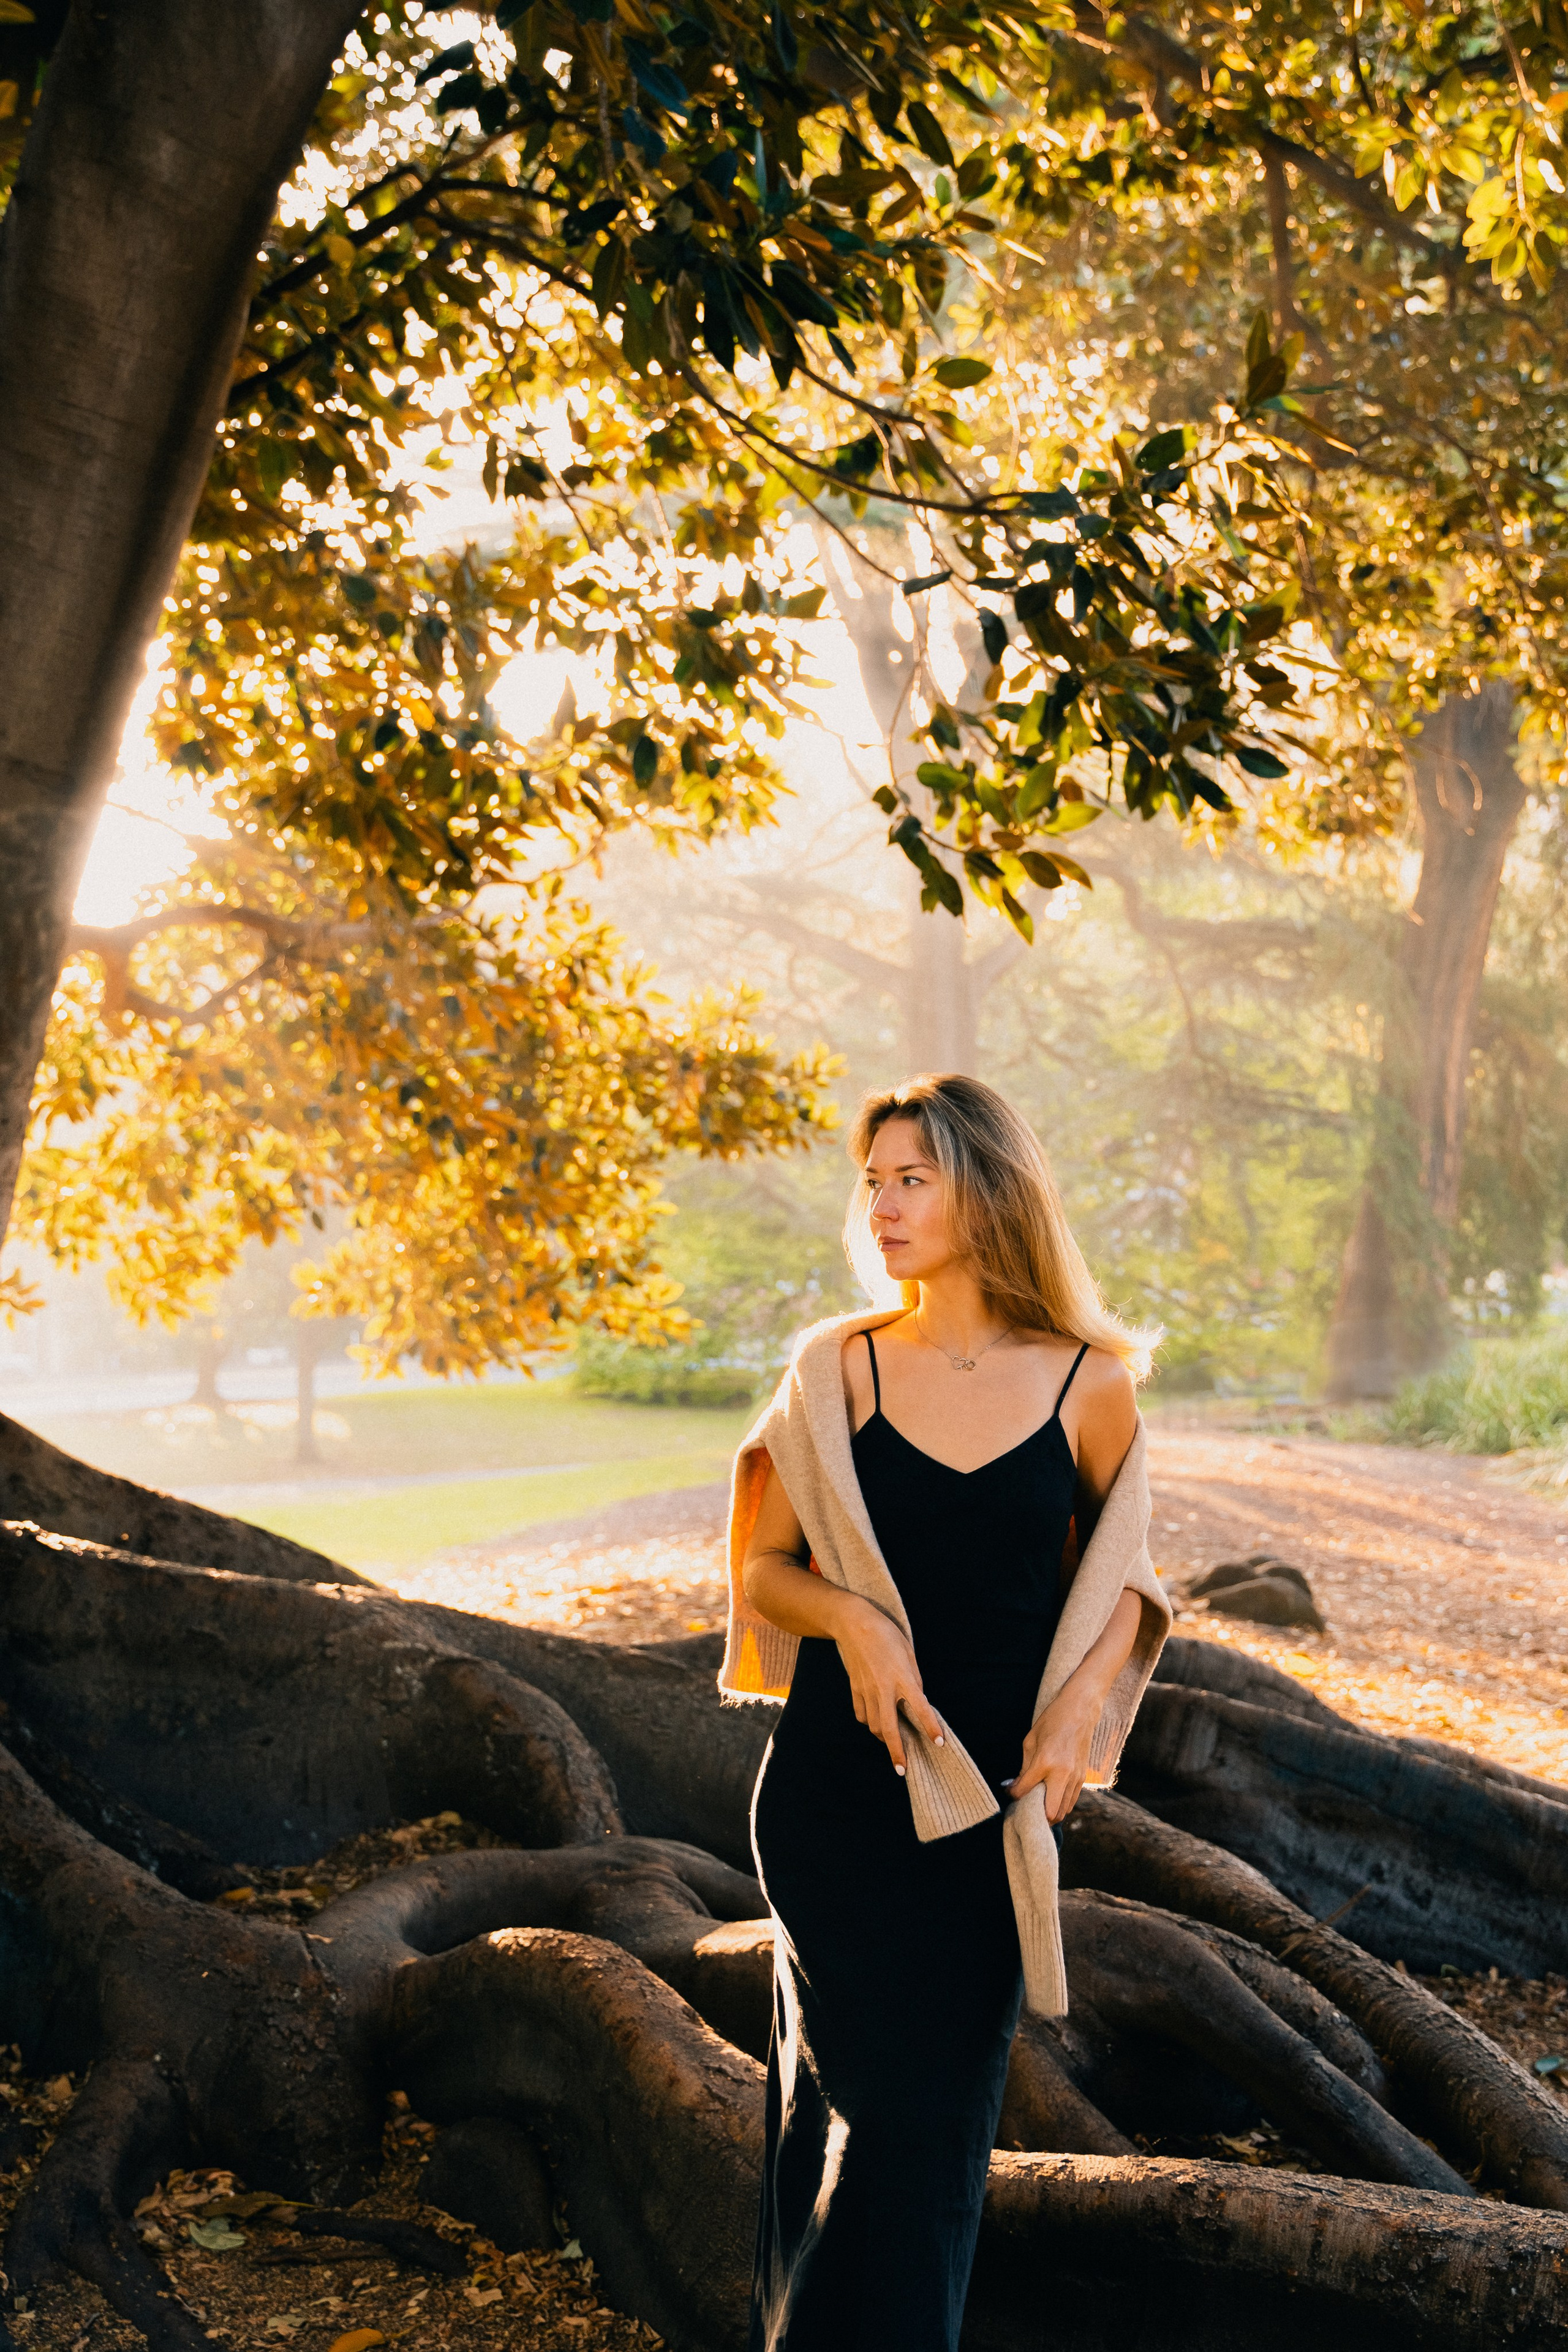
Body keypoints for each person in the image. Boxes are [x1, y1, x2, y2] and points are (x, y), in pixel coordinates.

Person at [720, 1072, 1172, 2351]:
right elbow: (762, 1571)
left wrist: (1082, 1706)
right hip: (833, 1805)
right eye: (870, 1182)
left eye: (910, 1177)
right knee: (865, 2123)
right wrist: (854, 1620)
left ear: (988, 1185)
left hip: (984, 1826)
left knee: (926, 2153)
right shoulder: (836, 1370)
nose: (882, 1204)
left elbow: (1129, 1583)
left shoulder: (1088, 1383)